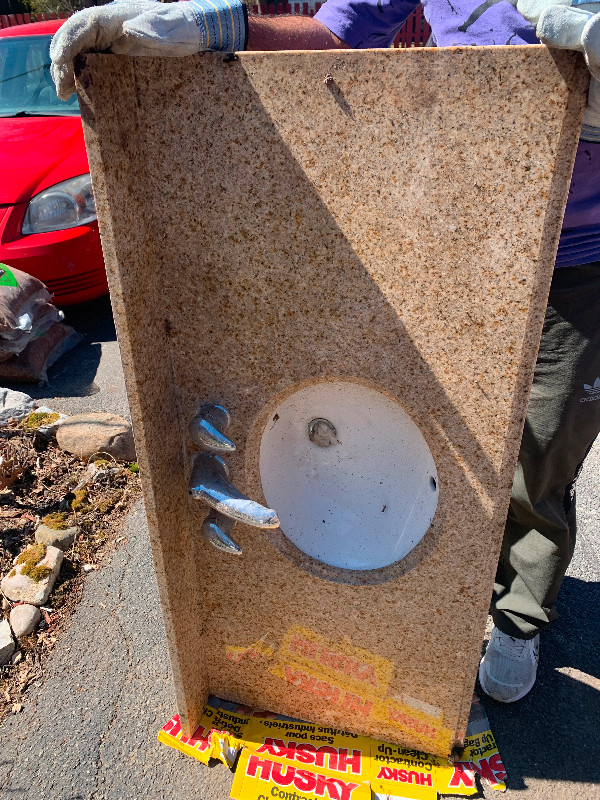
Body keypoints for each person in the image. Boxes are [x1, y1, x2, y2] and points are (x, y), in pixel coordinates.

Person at [50, 0, 600, 704]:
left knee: (541, 451)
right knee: (436, 436)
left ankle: (517, 611)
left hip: (580, 255)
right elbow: (341, 31)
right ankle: (443, 597)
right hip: (462, 225)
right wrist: (216, 29)